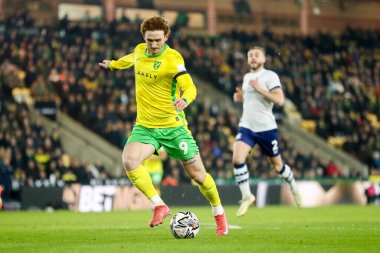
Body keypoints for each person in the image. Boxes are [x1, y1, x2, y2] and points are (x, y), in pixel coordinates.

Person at [99, 16, 228, 236]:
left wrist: (185, 100)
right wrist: (112, 64)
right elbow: (131, 59)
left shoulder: (173, 58)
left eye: (158, 40)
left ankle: (219, 213)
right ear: (144, 38)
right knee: (129, 160)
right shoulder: (140, 50)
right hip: (146, 127)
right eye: (150, 40)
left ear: (166, 37)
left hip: (173, 127)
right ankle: (159, 205)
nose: (154, 45)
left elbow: (190, 87)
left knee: (197, 175)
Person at [232, 46, 301, 217]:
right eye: (250, 55)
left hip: (266, 129)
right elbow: (252, 102)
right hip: (247, 126)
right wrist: (243, 98)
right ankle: (247, 196)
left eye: (256, 55)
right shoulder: (247, 77)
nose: (253, 58)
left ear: (264, 59)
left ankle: (293, 185)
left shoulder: (270, 76)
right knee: (237, 159)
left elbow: (280, 100)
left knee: (277, 166)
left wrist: (259, 89)